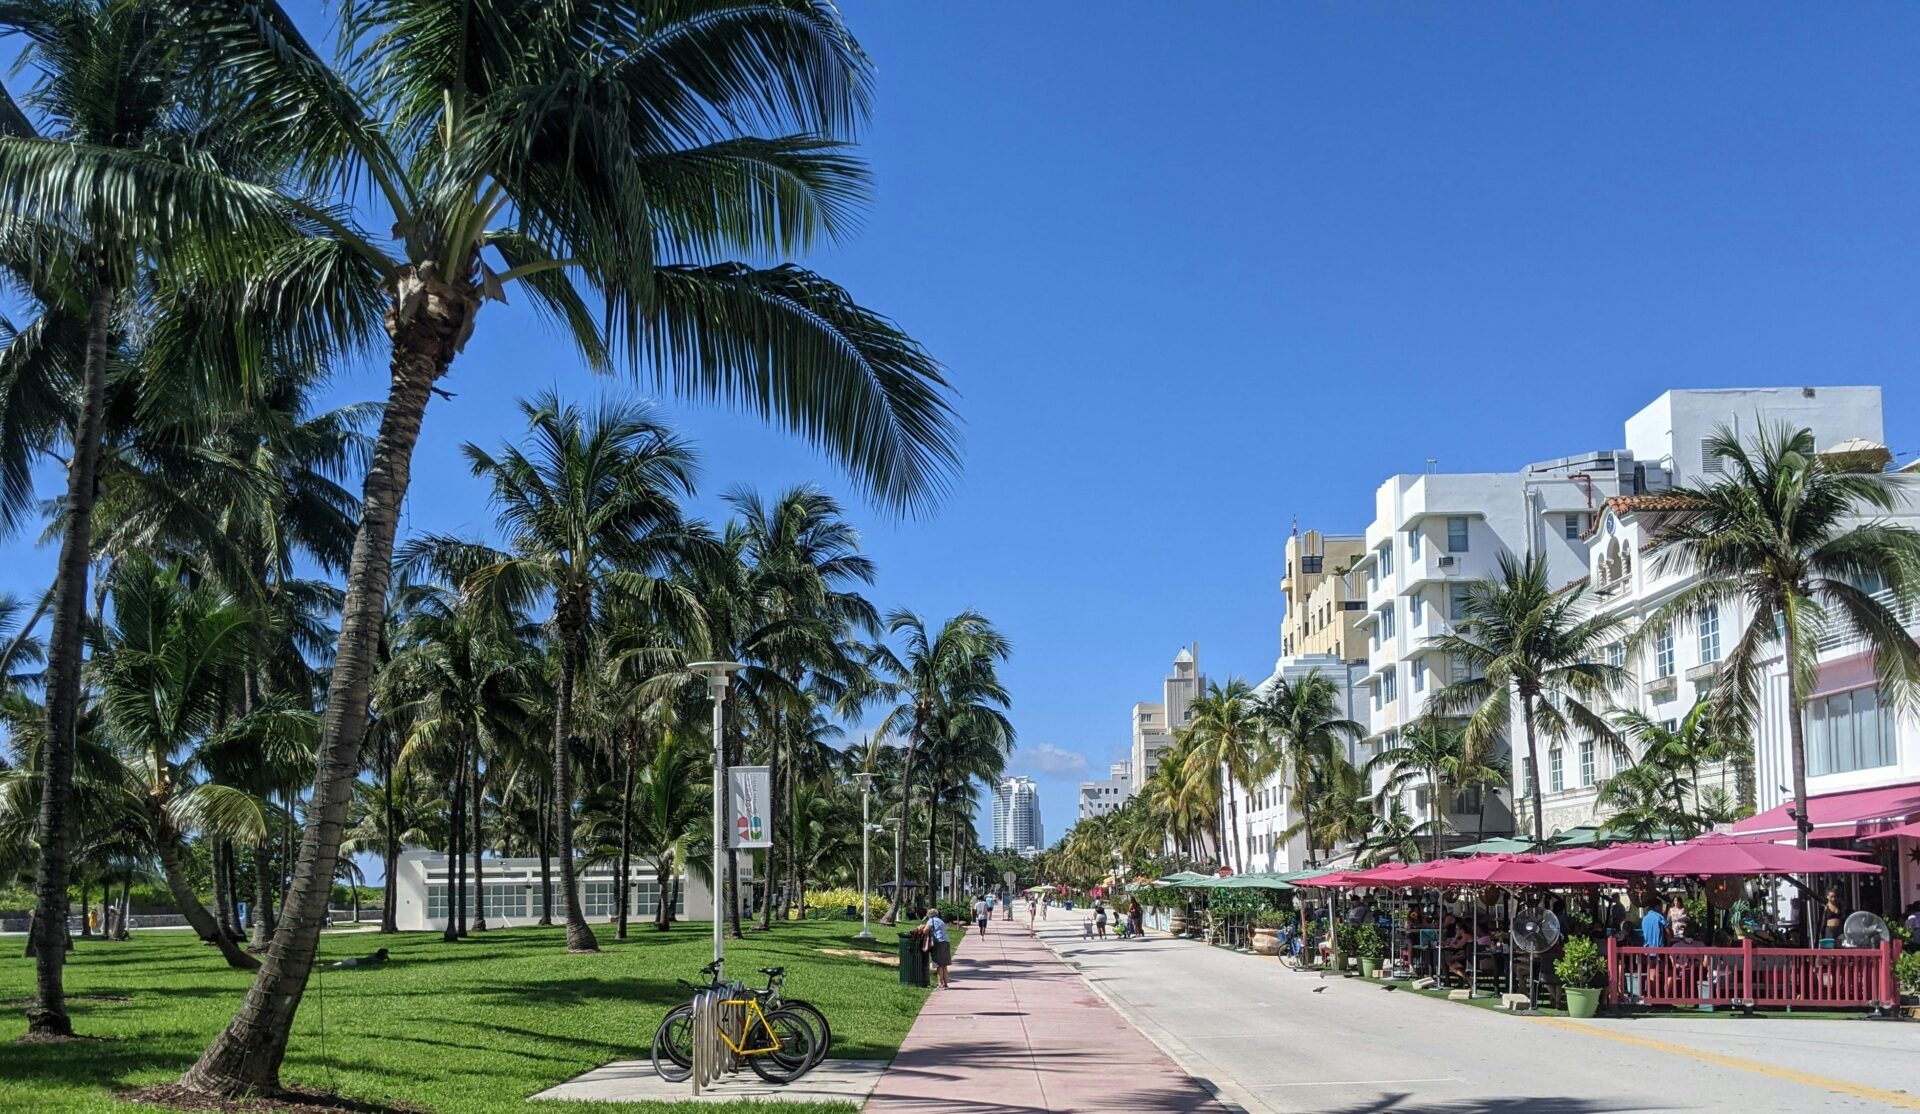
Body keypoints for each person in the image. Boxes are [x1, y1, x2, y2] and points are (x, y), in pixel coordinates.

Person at [921, 908, 952, 989]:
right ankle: (945, 983)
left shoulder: (931, 920)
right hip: (946, 942)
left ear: (929, 915)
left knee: (938, 964)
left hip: (938, 943)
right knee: (944, 965)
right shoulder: (941, 921)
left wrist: (923, 928)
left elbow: (925, 931)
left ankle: (940, 983)